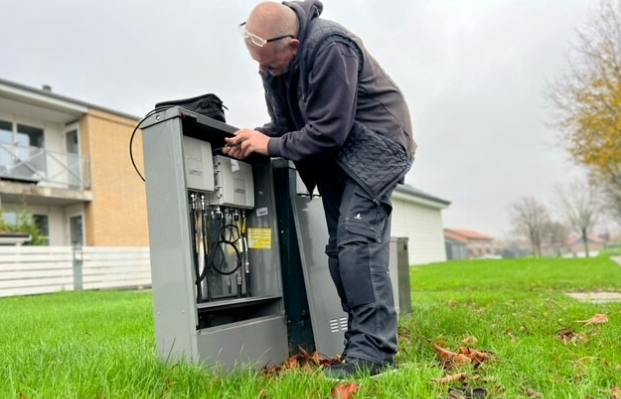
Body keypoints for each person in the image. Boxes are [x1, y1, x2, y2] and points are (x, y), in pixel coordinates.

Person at [224, 0, 416, 379]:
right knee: (338, 253)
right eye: (258, 62)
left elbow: (328, 129)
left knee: (358, 247)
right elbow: (288, 124)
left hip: (376, 147)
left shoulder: (331, 46)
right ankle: (361, 343)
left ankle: (375, 358)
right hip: (338, 157)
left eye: (270, 63)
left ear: (293, 45)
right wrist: (256, 136)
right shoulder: (274, 62)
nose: (263, 70)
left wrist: (271, 145)